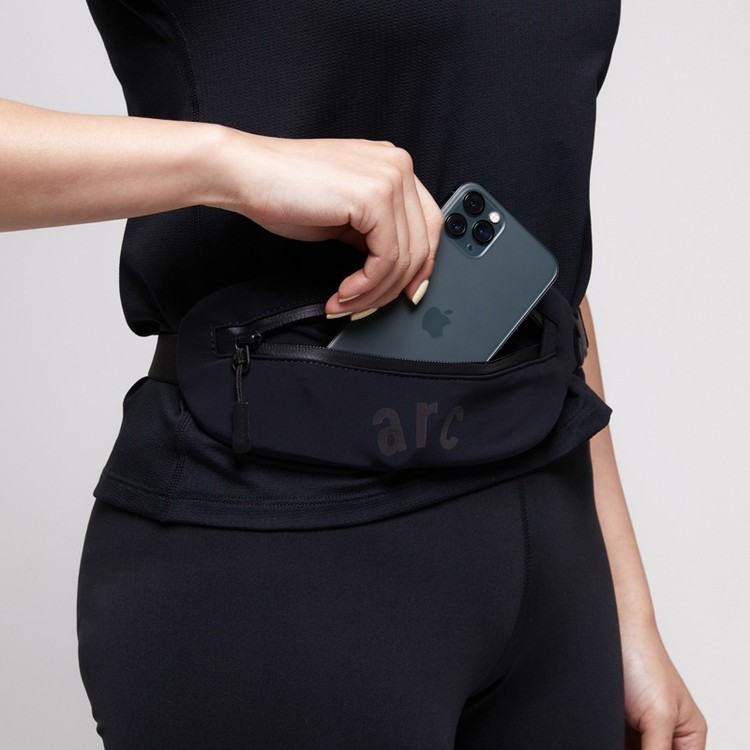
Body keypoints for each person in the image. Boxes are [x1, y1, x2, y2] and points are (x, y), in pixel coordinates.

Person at [0, 0, 707, 748]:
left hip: (554, 560)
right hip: (279, 551)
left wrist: (628, 608)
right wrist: (229, 163)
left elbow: (532, 260)